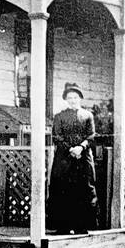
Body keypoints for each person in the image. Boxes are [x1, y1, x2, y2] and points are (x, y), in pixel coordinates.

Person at [49, 82, 98, 235]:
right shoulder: (59, 117)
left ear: (80, 99)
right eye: (69, 97)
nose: (72, 100)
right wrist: (70, 149)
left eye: (75, 97)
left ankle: (81, 226)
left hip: (83, 158)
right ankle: (63, 226)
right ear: (66, 100)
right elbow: (56, 136)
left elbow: (91, 135)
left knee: (83, 189)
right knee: (63, 189)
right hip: (64, 158)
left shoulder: (88, 115)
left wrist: (81, 147)